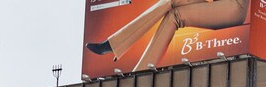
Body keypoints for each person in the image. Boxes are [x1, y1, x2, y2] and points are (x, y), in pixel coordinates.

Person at [85, 0, 250, 73]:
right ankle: (139, 71)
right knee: (172, 12)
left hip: (233, 8)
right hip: (221, 3)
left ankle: (113, 46)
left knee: (175, 12)